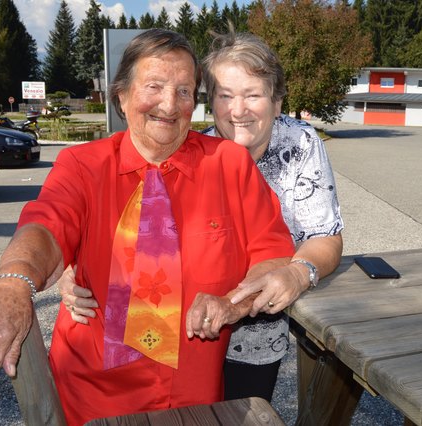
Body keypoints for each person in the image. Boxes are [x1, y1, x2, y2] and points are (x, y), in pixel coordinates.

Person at [0, 29, 295, 426]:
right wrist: (11, 283)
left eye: (184, 91)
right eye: (154, 86)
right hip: (92, 398)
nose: (169, 105)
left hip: (194, 398)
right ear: (121, 96)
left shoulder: (230, 165)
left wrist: (231, 304)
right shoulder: (82, 165)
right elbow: (46, 226)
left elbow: (271, 255)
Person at [58, 29, 344, 403]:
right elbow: (130, 234)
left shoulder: (298, 144)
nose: (237, 109)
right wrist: (73, 267)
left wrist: (296, 271)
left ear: (276, 103)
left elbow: (325, 235)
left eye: (253, 95)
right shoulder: (191, 146)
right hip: (186, 343)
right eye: (225, 96)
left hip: (256, 329)